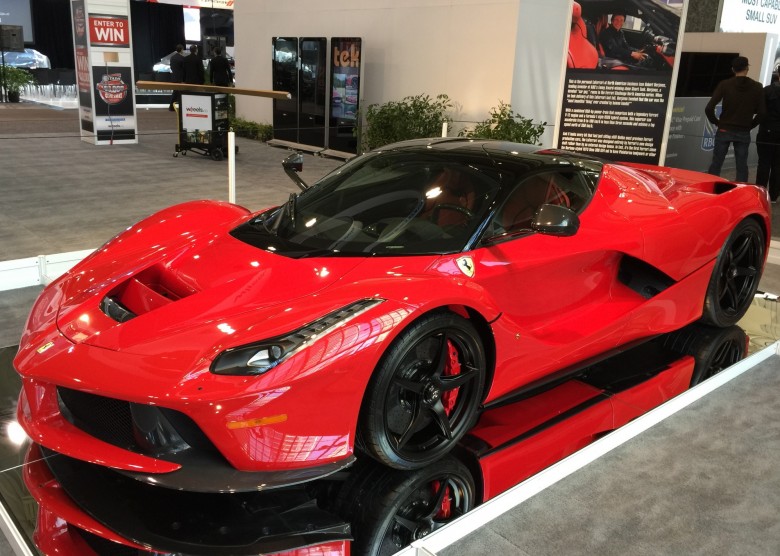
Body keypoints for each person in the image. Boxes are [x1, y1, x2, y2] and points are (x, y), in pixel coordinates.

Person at [705, 56, 765, 183]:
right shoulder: (757, 87)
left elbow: (709, 108)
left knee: (716, 163)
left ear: (733, 69)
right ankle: (741, 192)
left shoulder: (724, 84)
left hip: (724, 129)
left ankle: (710, 188)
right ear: (747, 68)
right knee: (741, 165)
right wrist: (750, 125)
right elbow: (762, 113)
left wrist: (718, 122)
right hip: (743, 130)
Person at [756, 73, 780, 201]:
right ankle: (774, 195)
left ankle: (760, 193)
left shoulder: (767, 91)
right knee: (778, 164)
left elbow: (760, 111)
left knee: (764, 163)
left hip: (767, 130)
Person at [168, 44, 185, 111]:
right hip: (180, 78)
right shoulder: (182, 58)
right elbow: (184, 69)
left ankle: (171, 107)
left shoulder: (172, 58)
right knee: (180, 92)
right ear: (181, 49)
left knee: (175, 92)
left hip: (174, 77)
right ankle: (179, 107)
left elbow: (171, 67)